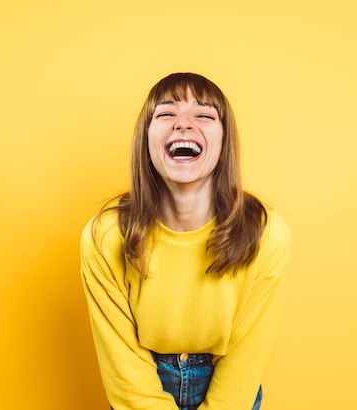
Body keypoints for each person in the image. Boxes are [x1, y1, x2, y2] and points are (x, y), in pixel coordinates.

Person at [80, 72, 291, 410]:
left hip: (229, 391)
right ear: (145, 139)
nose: (183, 124)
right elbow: (127, 375)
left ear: (224, 142)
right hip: (141, 387)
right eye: (166, 113)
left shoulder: (266, 235)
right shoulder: (105, 237)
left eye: (204, 115)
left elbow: (245, 362)